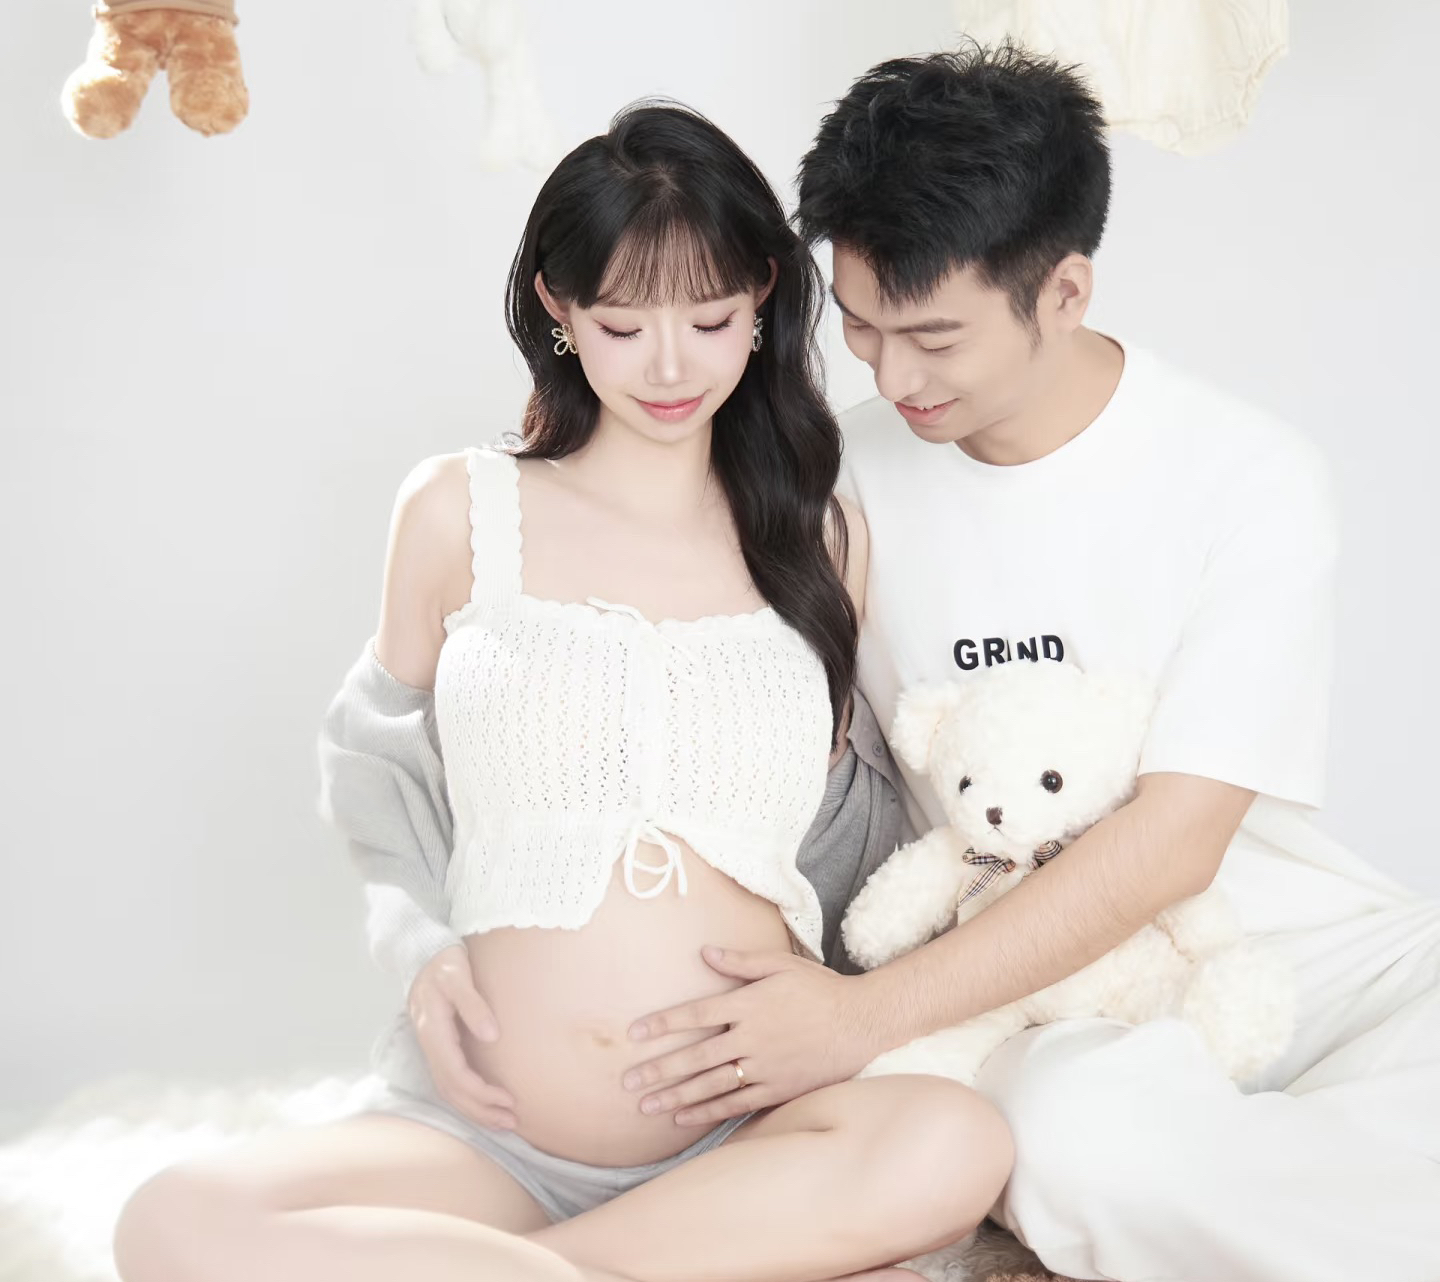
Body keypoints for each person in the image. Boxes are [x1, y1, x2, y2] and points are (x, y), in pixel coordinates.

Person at [111, 101, 1012, 1282]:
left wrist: (834, 1000)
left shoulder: (820, 538)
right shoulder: (459, 509)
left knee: (954, 1141)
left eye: (711, 319)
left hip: (743, 1134)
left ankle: (518, 1269)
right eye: (623, 325)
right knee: (172, 1220)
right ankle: (629, 1266)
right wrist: (417, 947)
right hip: (492, 1141)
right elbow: (375, 764)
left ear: (762, 301)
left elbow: (854, 826)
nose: (671, 366)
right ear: (558, 307)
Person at [616, 42, 1440, 1282]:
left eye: (935, 336)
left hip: (1298, 956)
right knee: (1083, 1148)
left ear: (1064, 292)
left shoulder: (1246, 475)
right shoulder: (831, 480)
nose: (893, 376)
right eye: (860, 327)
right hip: (1024, 991)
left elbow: (1176, 845)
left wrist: (857, 1023)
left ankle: (1279, 1196)